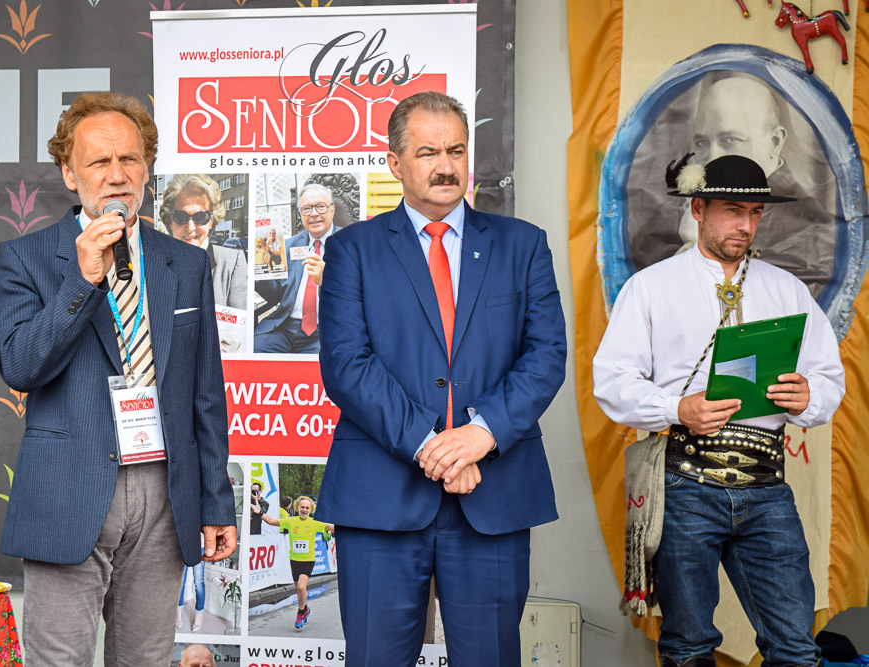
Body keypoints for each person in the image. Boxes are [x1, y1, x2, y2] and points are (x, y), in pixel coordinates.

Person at [315, 91, 567, 666]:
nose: (446, 166)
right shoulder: (351, 250)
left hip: (493, 494)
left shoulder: (523, 245)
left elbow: (546, 354)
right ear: (394, 162)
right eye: (427, 152)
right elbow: (347, 366)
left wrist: (482, 434)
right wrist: (434, 447)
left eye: (456, 150)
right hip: (380, 499)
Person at [0, 91, 237, 666]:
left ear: (148, 170)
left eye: (129, 159)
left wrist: (216, 500)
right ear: (69, 174)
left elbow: (205, 393)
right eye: (99, 161)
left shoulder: (186, 262)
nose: (117, 174)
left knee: (144, 659)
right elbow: (21, 367)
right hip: (70, 490)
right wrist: (83, 280)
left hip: (164, 493)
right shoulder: (24, 258)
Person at [593, 155, 844, 667]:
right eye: (733, 210)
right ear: (698, 209)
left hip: (766, 485)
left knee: (796, 648)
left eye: (755, 213)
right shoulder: (652, 286)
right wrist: (676, 407)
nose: (745, 225)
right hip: (684, 482)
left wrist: (809, 397)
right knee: (688, 647)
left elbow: (827, 378)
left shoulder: (786, 289)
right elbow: (612, 382)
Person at [630, 73, 836, 298]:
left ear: (774, 142)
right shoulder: (673, 215)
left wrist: (697, 248)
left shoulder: (814, 232)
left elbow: (765, 307)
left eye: (730, 140)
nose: (712, 159)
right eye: (702, 142)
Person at [254, 183, 336, 354]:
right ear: (301, 214)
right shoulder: (288, 245)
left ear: (332, 209)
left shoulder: (349, 243)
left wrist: (325, 281)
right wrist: (260, 273)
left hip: (326, 329)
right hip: (284, 327)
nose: (314, 214)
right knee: (256, 349)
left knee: (317, 363)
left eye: (320, 207)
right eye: (307, 209)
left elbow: (358, 295)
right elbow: (275, 295)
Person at [158, 173, 247, 310]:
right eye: (181, 216)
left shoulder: (232, 262)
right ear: (169, 221)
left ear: (211, 221)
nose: (190, 227)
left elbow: (240, 320)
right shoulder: (155, 262)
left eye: (201, 217)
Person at [253, 495, 334, 630]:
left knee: (301, 587)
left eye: (307, 508)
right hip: (294, 561)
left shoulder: (315, 523)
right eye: (302, 507)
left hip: (308, 560)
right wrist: (259, 513)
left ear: (311, 509)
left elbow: (333, 527)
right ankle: (305, 608)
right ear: (297, 507)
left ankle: (300, 613)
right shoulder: (290, 521)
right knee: (298, 589)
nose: (304, 510)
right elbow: (272, 522)